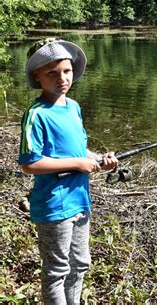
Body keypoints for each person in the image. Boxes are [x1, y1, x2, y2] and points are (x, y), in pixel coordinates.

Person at [18, 38, 118, 304]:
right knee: (57, 271)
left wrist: (99, 158)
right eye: (52, 73)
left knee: (80, 264)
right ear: (37, 76)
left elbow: (77, 150)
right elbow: (29, 164)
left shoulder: (73, 107)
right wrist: (77, 164)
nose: (61, 78)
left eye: (66, 71)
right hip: (54, 207)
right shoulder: (36, 115)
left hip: (80, 201)